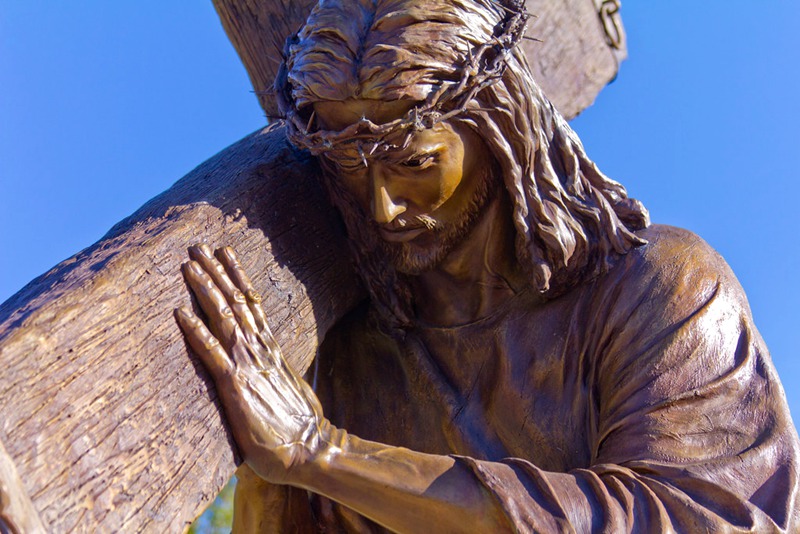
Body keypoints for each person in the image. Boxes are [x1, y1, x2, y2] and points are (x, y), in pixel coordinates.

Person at [176, 0, 800, 531]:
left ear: (501, 129)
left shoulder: (660, 289)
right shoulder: (344, 362)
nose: (382, 205)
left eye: (413, 162)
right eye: (348, 166)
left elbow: (689, 519)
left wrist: (322, 454)